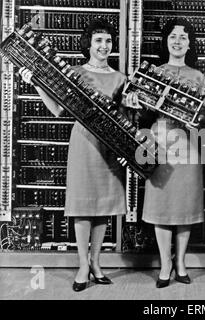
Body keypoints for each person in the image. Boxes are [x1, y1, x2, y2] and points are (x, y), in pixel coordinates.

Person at [19, 18, 129, 292]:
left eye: (107, 40)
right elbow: (57, 110)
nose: (104, 46)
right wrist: (36, 83)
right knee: (83, 206)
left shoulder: (120, 78)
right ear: (88, 45)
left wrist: (128, 150)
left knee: (103, 208)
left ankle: (96, 263)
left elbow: (125, 119)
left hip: (110, 148)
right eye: (98, 41)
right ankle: (82, 264)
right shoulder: (75, 73)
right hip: (83, 144)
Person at [140, 17, 205, 288]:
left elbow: (203, 114)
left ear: (189, 43)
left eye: (183, 37)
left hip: (188, 145)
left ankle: (180, 262)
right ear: (166, 41)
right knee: (162, 204)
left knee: (185, 204)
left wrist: (200, 118)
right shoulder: (154, 72)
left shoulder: (198, 76)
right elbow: (144, 111)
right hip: (160, 143)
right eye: (173, 36)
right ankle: (165, 265)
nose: (178, 41)